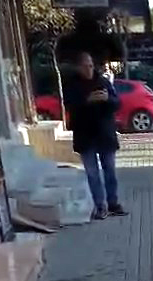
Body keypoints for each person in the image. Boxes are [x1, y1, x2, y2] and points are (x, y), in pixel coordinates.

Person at [64, 52, 128, 220]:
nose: (89, 69)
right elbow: (70, 107)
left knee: (110, 171)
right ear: (79, 68)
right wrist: (87, 101)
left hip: (105, 134)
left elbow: (117, 103)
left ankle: (113, 203)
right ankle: (100, 206)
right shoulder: (72, 85)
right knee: (92, 174)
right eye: (85, 66)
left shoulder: (103, 81)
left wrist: (107, 99)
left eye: (91, 66)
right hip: (85, 136)